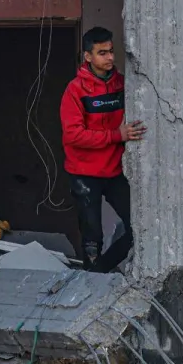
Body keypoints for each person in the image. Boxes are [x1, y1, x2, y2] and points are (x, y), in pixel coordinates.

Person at [59, 27, 144, 271]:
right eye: (102, 53)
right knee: (92, 237)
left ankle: (102, 271)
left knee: (139, 226)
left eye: (111, 51)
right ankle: (93, 279)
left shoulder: (122, 84)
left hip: (115, 171)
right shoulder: (75, 90)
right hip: (84, 174)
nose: (109, 58)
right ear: (88, 57)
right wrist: (117, 135)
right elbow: (74, 135)